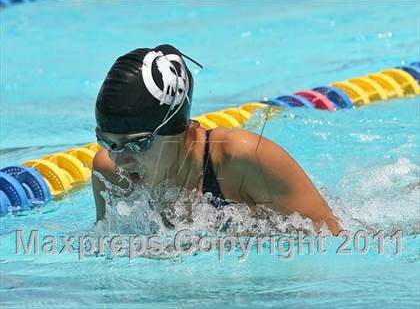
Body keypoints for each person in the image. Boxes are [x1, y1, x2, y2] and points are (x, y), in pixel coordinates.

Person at [92, 44, 342, 235]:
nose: (120, 159)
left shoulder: (244, 159)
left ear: (174, 130)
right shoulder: (109, 173)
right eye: (107, 142)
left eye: (137, 143)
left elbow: (335, 242)